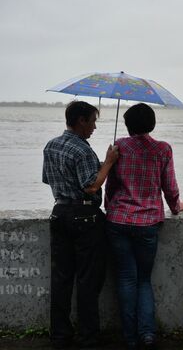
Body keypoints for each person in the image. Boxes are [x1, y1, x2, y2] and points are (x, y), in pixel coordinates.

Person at [104, 103, 183, 349]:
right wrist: (176, 206)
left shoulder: (119, 146)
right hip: (148, 222)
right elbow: (169, 187)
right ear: (152, 124)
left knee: (126, 279)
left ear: (128, 125)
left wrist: (110, 207)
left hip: (118, 221)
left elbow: (110, 185)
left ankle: (130, 338)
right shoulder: (163, 149)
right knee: (143, 280)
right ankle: (148, 334)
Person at [42, 100, 120, 349]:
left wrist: (96, 168)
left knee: (61, 279)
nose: (94, 127)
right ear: (81, 121)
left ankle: (60, 335)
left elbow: (48, 179)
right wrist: (108, 162)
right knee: (88, 280)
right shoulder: (83, 151)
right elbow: (91, 187)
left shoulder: (51, 145)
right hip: (84, 217)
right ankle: (88, 337)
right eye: (93, 121)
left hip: (59, 212)